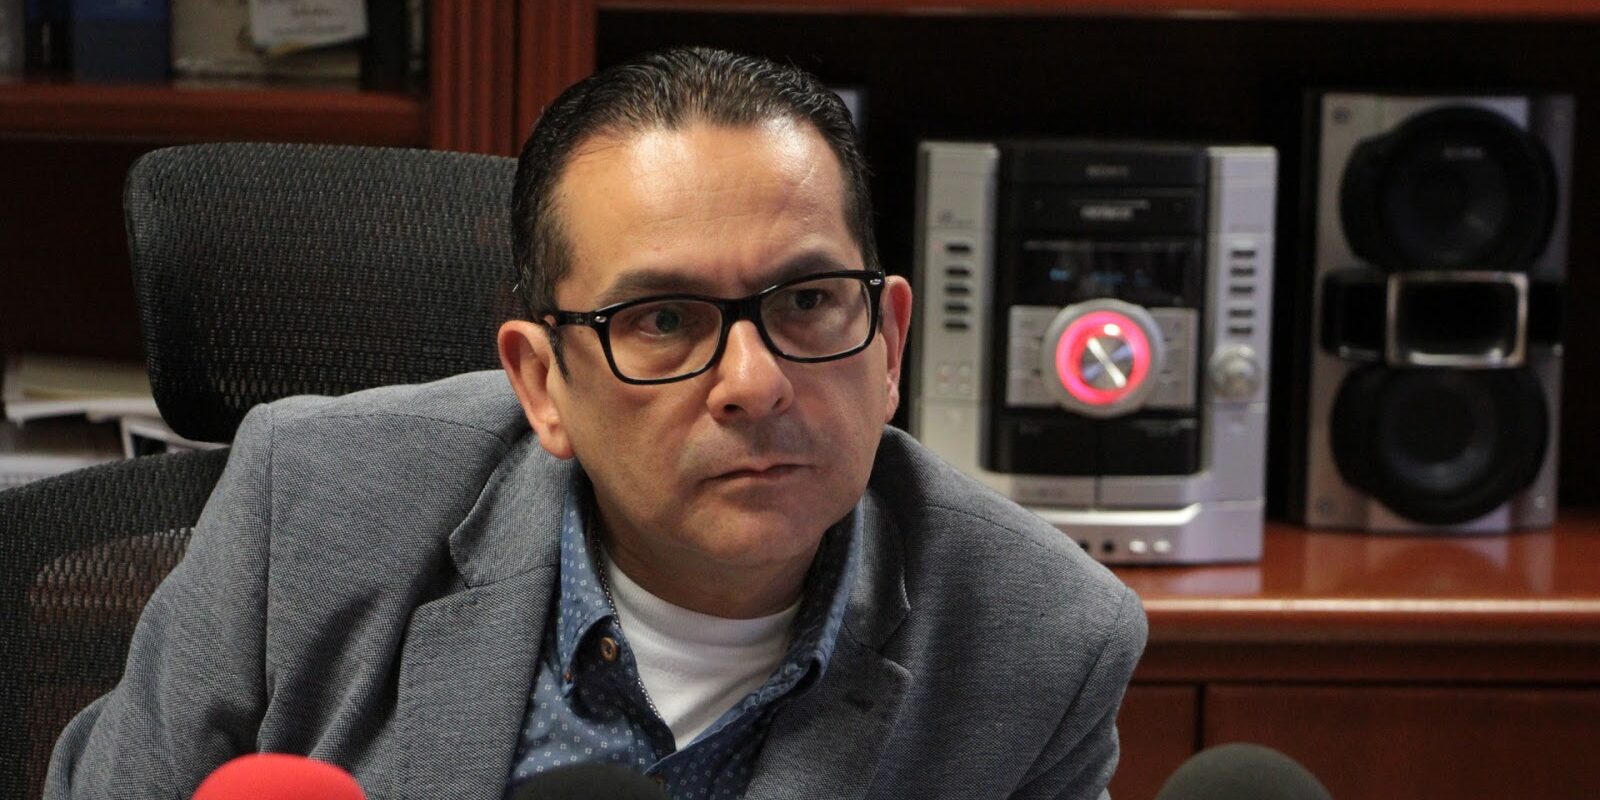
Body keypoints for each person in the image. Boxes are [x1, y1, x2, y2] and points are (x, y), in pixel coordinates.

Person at [46, 47, 1146, 800]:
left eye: (809, 301)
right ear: (542, 384)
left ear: (890, 341)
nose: (754, 382)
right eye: (663, 319)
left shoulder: (1041, 638)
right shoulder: (307, 507)